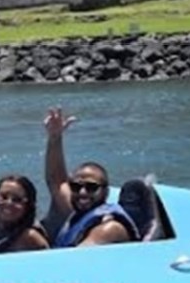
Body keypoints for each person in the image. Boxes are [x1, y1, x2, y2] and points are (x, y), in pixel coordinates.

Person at [42, 106, 139, 248]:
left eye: (91, 187)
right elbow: (56, 180)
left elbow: (76, 260)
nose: (82, 192)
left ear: (106, 192)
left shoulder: (110, 229)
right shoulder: (78, 210)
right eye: (75, 186)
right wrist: (55, 137)